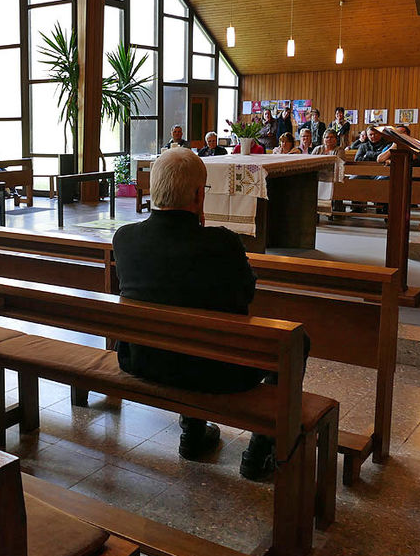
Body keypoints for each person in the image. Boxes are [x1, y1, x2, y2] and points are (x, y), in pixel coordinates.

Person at [112, 148, 297, 480]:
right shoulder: (222, 243)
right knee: (296, 343)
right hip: (216, 375)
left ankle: (194, 433)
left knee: (181, 335)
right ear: (200, 195)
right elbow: (246, 295)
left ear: (154, 189)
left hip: (141, 360)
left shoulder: (124, 238)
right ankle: (260, 449)